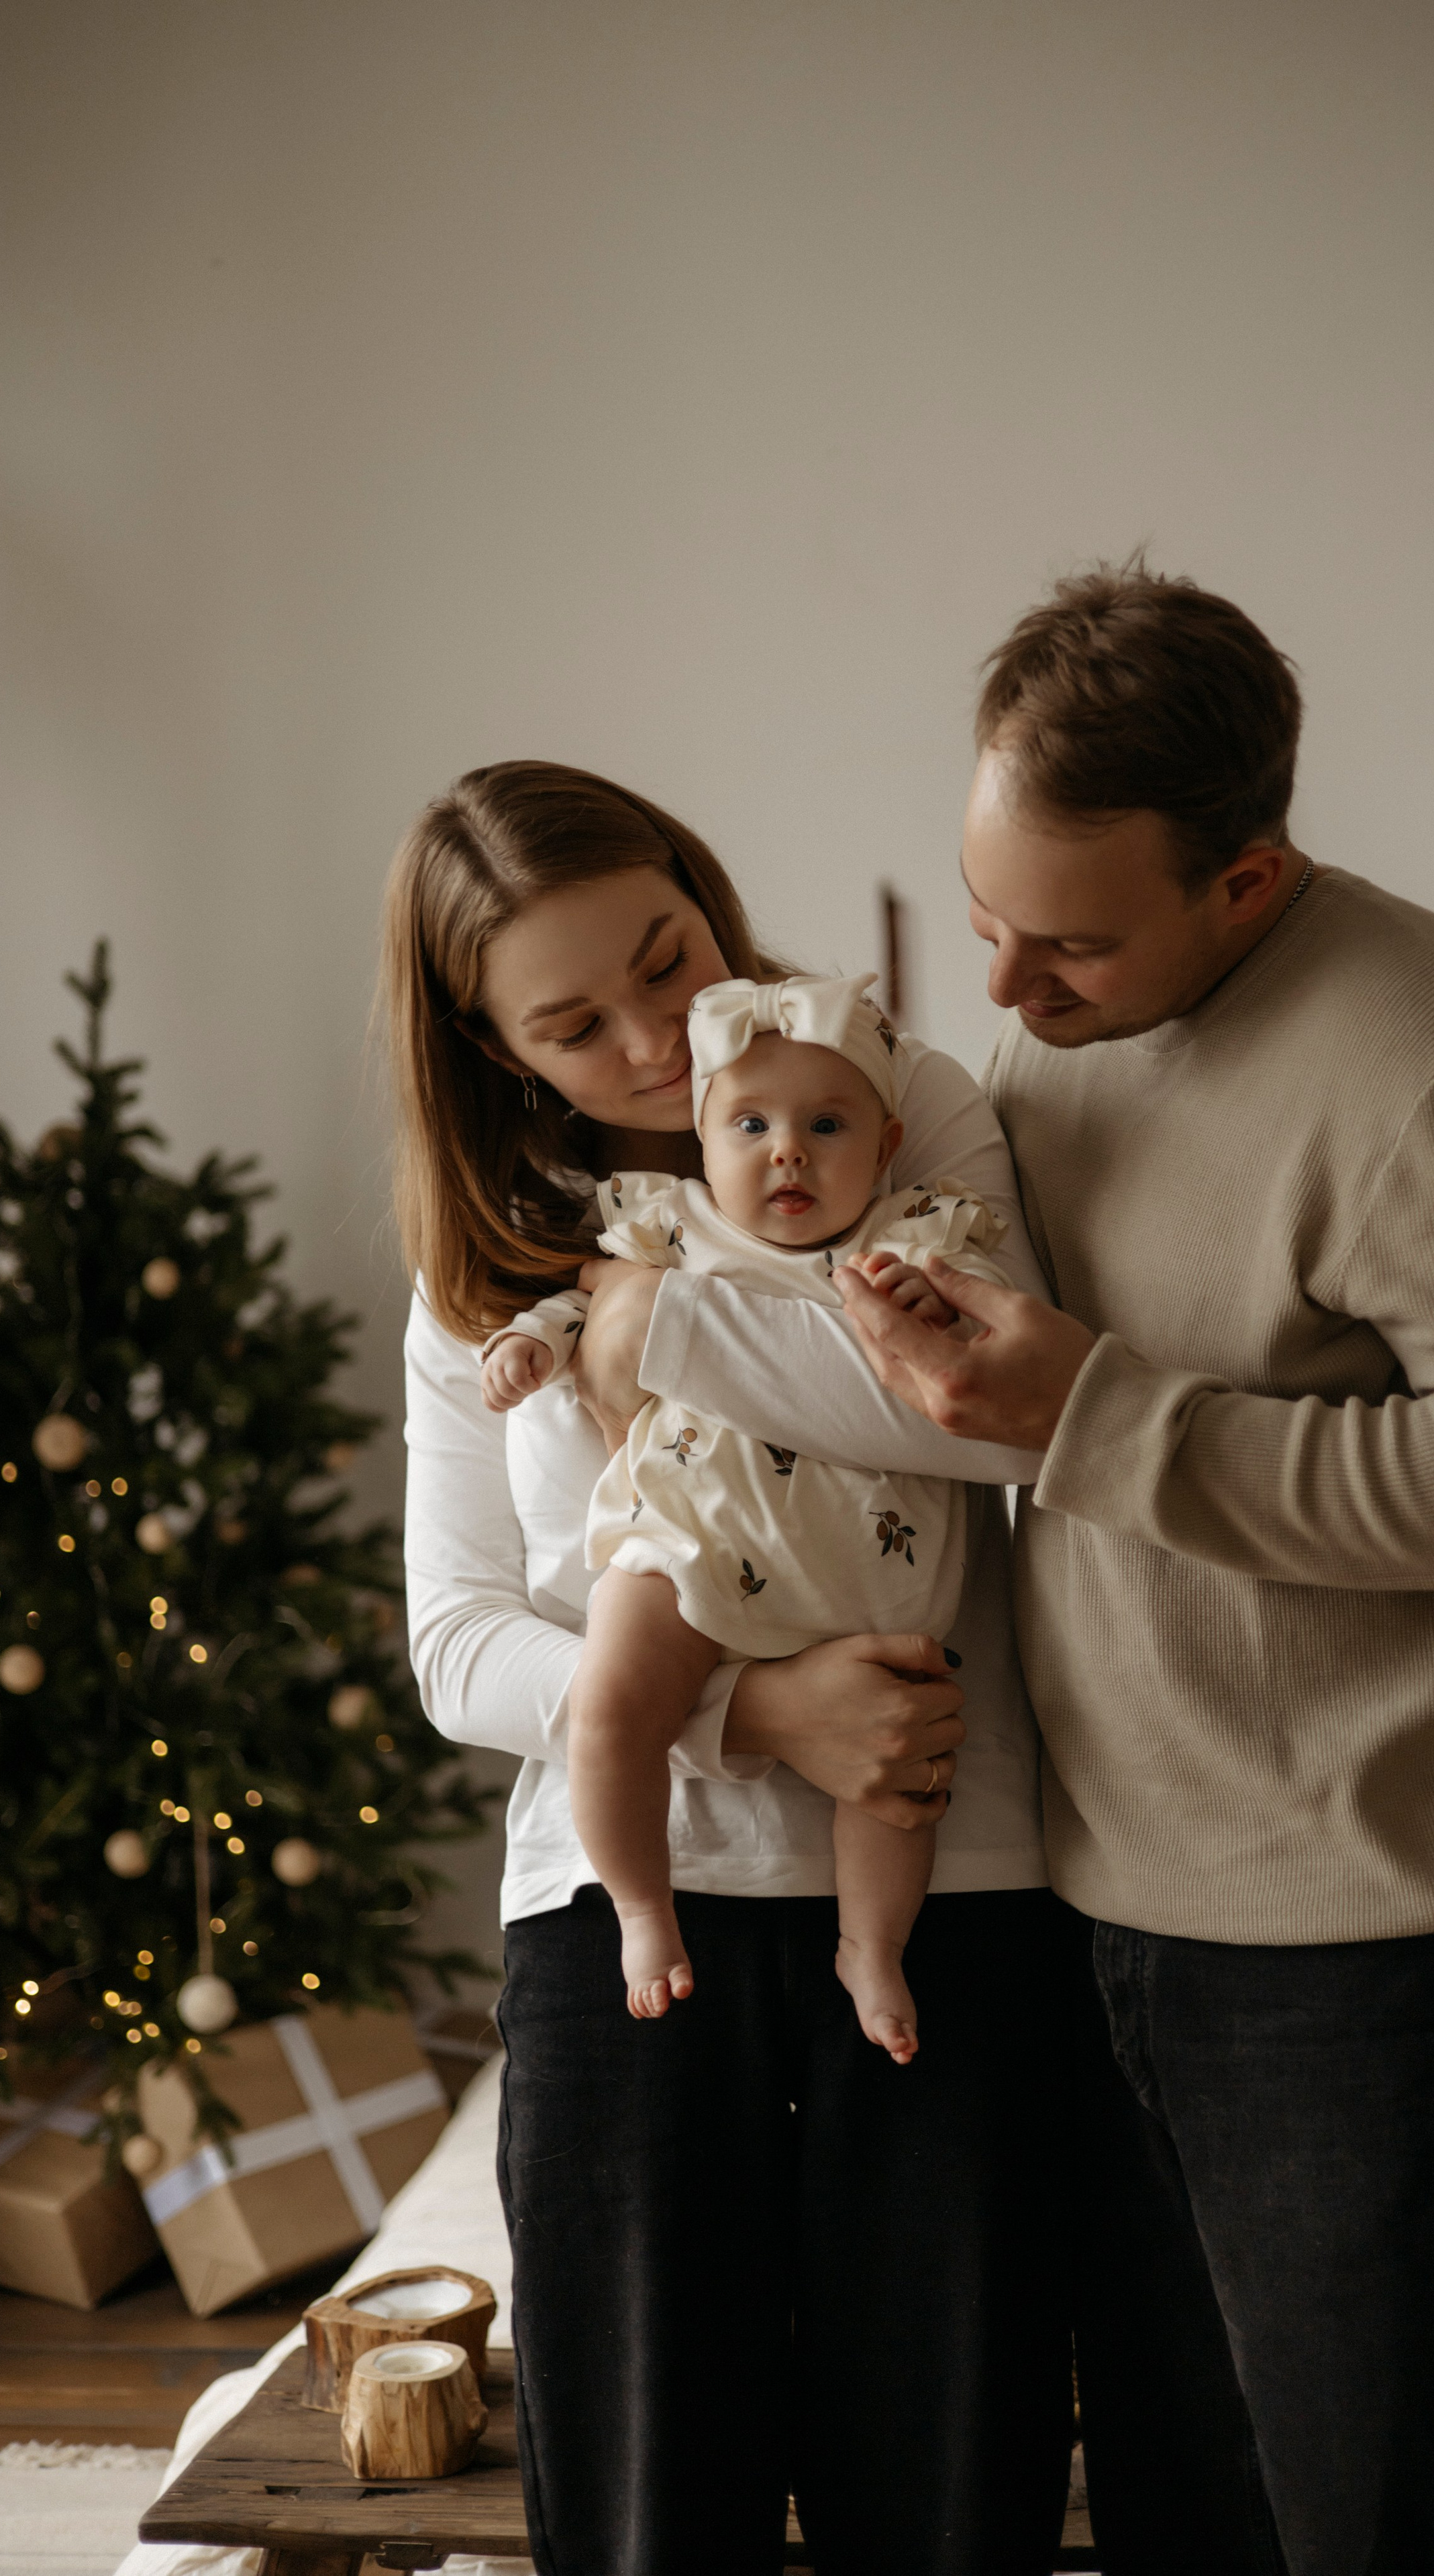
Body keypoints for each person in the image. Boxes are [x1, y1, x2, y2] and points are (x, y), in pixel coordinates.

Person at [576, 560, 1434, 2573]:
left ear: (1246, 883)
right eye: (982, 920)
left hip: (1381, 1951)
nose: (1002, 995)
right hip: (1105, 1913)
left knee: (1386, 2527)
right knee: (1187, 2526)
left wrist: (1099, 1412)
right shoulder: (1053, 1050)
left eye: (1063, 942)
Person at [383, 761, 1074, 2576]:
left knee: (944, 2494)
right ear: (492, 1044)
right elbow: (458, 1643)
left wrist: (654, 1326)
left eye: (666, 962)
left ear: (705, 890)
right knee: (644, 2508)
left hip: (950, 1884)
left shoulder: (896, 1102)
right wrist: (753, 1714)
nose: (650, 1044)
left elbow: (999, 1426)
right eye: (572, 1024)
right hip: (622, 1924)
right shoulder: (485, 1259)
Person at [480, 968, 1011, 2057]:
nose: (789, 1153)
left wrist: (919, 1304)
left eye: (828, 1126)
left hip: (867, 1577)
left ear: (889, 1138)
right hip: (691, 1542)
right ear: (703, 1137)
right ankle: (638, 1904)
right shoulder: (668, 1231)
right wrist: (530, 1342)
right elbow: (578, 1309)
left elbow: (994, 1386)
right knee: (613, 1704)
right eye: (752, 1125)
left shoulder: (912, 1238)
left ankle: (871, 1950)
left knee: (903, 1776)